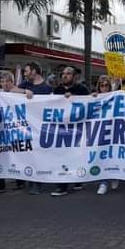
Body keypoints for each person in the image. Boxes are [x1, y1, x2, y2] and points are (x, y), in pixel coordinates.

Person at [0, 71, 33, 194]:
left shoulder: (15, 93)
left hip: (15, 130)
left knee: (17, 154)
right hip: (1, 131)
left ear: (12, 82)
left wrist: (23, 91)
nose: (4, 84)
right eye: (2, 81)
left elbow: (27, 94)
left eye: (6, 81)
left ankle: (20, 180)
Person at [50, 66, 90, 196]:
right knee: (62, 156)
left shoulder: (82, 90)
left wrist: (74, 98)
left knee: (76, 156)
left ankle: (77, 179)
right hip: (62, 130)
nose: (65, 76)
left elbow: (89, 104)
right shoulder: (57, 90)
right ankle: (62, 186)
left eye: (68, 74)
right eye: (63, 74)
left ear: (74, 77)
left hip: (78, 130)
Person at [18, 61, 53, 195]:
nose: (25, 74)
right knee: (30, 154)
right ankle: (31, 180)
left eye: (26, 71)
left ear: (34, 71)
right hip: (27, 127)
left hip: (42, 127)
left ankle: (38, 183)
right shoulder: (26, 84)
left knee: (39, 154)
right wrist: (24, 91)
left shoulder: (47, 88)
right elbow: (12, 90)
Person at [94, 75, 120, 195]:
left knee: (113, 154)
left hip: (113, 129)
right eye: (101, 85)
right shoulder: (94, 97)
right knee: (101, 155)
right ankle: (103, 182)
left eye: (106, 85)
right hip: (99, 130)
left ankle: (114, 175)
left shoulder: (114, 97)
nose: (104, 87)